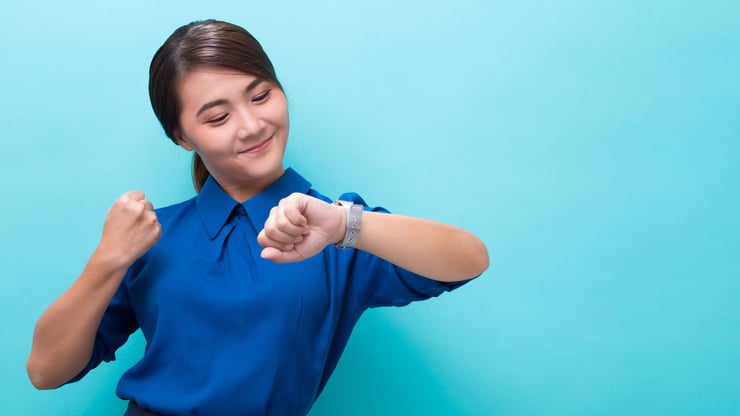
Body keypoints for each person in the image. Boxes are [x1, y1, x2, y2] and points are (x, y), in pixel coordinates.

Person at [26, 19, 489, 416]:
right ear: (182, 137)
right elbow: (46, 372)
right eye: (216, 117)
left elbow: (470, 259)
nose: (251, 126)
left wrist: (348, 226)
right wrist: (107, 260)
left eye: (261, 95)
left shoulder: (335, 228)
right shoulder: (152, 237)